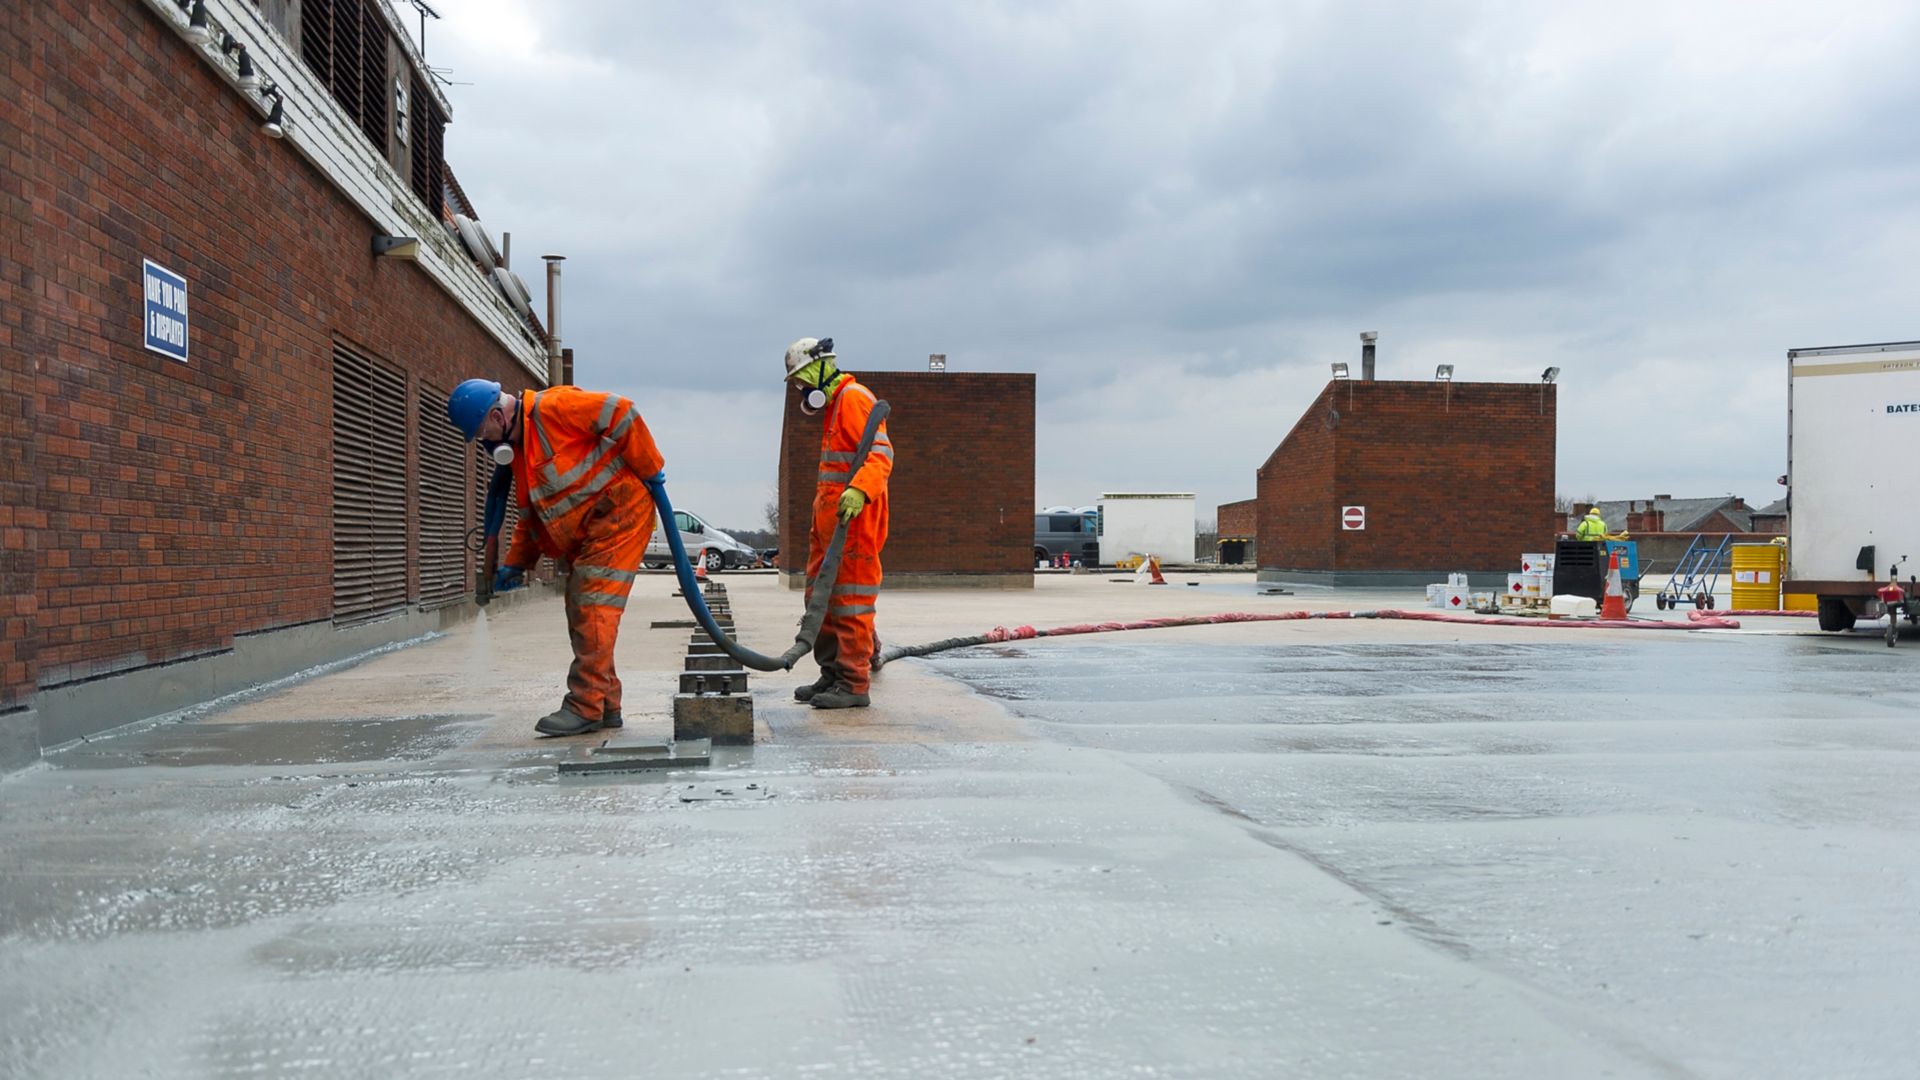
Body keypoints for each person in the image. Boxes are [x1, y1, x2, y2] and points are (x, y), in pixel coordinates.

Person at [446, 378, 664, 737]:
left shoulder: (552, 408)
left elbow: (621, 411)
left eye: (482, 432)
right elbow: (531, 515)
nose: (484, 442)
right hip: (592, 527)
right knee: (582, 608)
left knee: (593, 605)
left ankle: (585, 706)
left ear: (498, 417)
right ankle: (606, 703)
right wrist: (516, 563)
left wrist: (651, 468)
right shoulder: (521, 454)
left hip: (620, 512)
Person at [784, 337, 893, 709]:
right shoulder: (835, 407)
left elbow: (881, 455)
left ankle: (853, 683)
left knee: (850, 604)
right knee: (821, 599)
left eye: (801, 379)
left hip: (854, 527)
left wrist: (860, 491)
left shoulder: (855, 398)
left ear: (818, 368)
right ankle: (831, 674)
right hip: (830, 526)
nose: (800, 388)